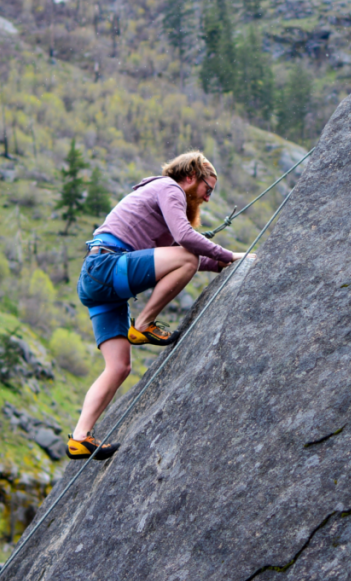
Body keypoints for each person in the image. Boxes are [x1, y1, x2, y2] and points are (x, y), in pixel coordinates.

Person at [68, 151, 250, 461]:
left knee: (119, 367)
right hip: (107, 267)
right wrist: (230, 254)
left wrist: (221, 262)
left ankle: (79, 437)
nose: (208, 198)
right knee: (187, 257)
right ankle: (143, 324)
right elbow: (185, 243)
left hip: (98, 282)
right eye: (209, 189)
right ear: (191, 177)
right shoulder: (170, 189)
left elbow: (175, 251)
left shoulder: (157, 199)